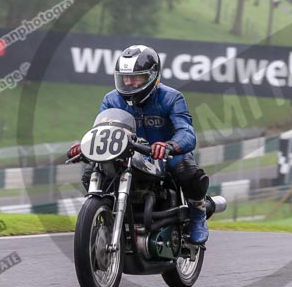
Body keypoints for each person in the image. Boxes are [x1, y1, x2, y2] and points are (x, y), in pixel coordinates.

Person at [67, 44, 210, 244]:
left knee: (186, 170)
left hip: (164, 153)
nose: (128, 83)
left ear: (152, 76)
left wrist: (170, 145)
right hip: (128, 152)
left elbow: (186, 132)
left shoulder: (172, 98)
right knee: (92, 171)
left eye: (136, 78)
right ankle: (106, 211)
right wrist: (85, 144)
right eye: (124, 77)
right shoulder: (111, 100)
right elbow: (102, 129)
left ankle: (198, 214)